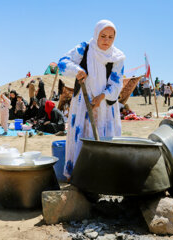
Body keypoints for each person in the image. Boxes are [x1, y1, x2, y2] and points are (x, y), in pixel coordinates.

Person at [58, 20, 125, 178]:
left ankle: (104, 177)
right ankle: (79, 176)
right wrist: (77, 70)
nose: (106, 41)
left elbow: (116, 83)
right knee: (82, 136)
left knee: (105, 138)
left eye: (110, 37)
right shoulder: (85, 48)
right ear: (96, 34)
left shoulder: (118, 57)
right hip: (83, 102)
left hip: (105, 106)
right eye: (103, 36)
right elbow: (62, 63)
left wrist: (102, 96)